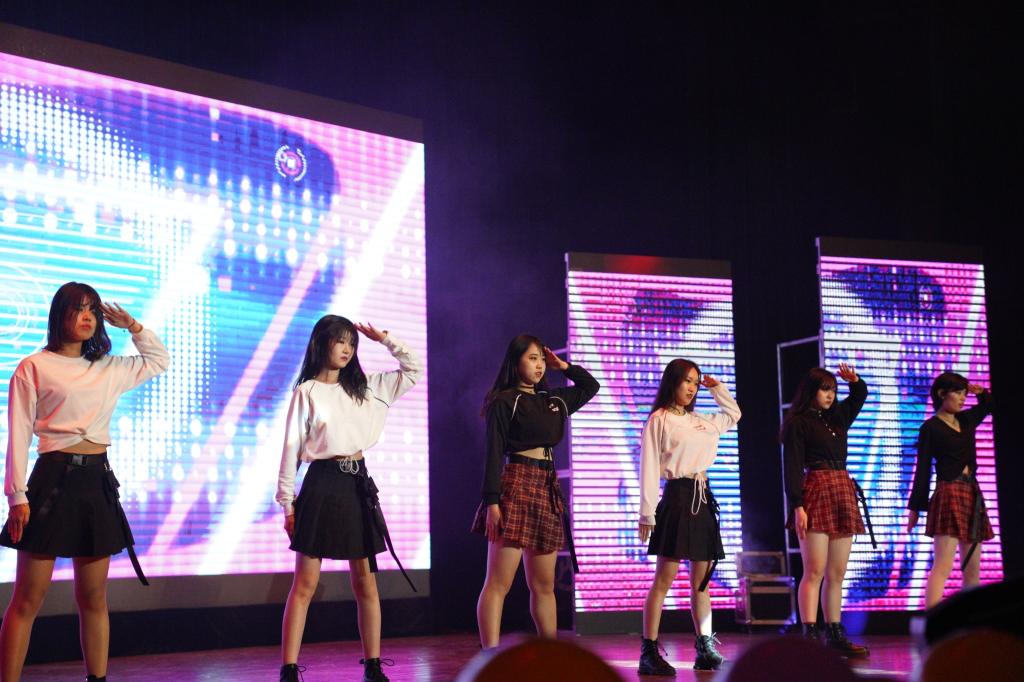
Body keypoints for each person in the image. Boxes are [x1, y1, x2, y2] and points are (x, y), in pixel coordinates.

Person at [1, 282, 170, 682]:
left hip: (96, 483)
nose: (88, 316)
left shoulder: (108, 367)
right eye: (78, 309)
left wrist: (133, 326)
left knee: (93, 597)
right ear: (59, 314)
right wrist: (16, 496)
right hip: (52, 482)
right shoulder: (34, 366)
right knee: (27, 598)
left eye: (92, 309)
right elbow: (18, 434)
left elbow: (159, 360)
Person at [276, 316, 420, 682]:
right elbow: (290, 450)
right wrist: (287, 504)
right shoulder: (307, 391)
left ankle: (373, 665)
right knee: (305, 584)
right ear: (321, 343)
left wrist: (385, 338)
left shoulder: (368, 388)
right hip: (321, 485)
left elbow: (413, 368)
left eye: (351, 343)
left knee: (365, 582)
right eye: (340, 341)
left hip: (356, 483)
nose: (346, 349)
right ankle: (289, 668)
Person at [472, 334, 599, 648]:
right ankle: (489, 656)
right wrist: (492, 502)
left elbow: (590, 387)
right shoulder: (505, 400)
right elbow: (492, 452)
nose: (540, 364)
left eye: (542, 359)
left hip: (546, 486)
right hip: (516, 483)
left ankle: (550, 657)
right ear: (515, 362)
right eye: (532, 358)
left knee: (544, 585)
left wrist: (563, 366)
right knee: (498, 582)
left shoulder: (553, 400)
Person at [637, 359, 741, 674]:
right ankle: (649, 651)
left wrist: (717, 388)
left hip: (703, 498)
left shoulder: (702, 420)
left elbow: (734, 415)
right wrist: (647, 512)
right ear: (673, 382)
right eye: (687, 381)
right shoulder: (659, 419)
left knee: (702, 583)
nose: (692, 387)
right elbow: (649, 465)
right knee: (663, 579)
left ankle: (705, 647)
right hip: (678, 498)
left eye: (696, 382)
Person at [781, 364, 870, 657]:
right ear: (811, 391)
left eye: (833, 389)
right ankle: (809, 637)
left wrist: (855, 381)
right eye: (824, 389)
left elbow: (859, 396)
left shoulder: (838, 417)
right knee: (815, 569)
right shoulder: (798, 423)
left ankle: (835, 634)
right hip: (816, 489)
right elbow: (793, 467)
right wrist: (797, 505)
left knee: (837, 572)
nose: (830, 395)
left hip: (842, 487)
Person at [906, 372, 993, 610]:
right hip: (948, 494)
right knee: (943, 566)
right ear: (942, 394)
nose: (963, 398)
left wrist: (980, 392)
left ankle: (970, 623)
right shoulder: (931, 428)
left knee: (972, 570)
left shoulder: (966, 420)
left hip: (971, 493)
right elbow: (923, 468)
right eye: (958, 393)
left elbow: (989, 405)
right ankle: (932, 622)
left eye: (965, 393)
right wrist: (915, 509)